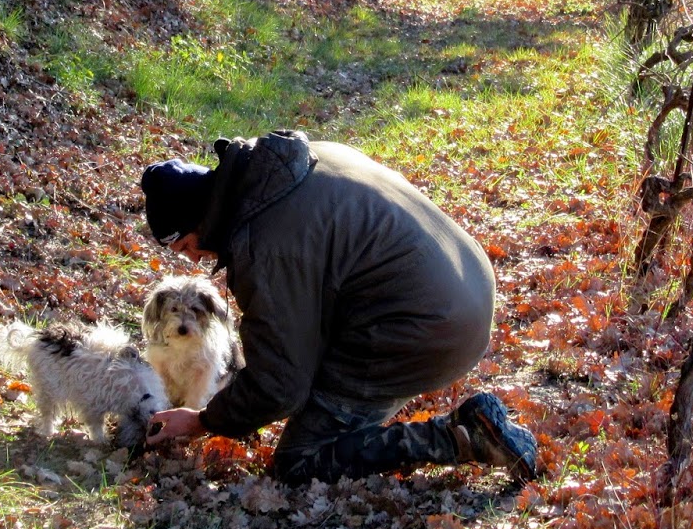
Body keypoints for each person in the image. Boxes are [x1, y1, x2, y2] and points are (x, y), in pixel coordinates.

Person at [139, 130, 538, 484]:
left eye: (187, 245)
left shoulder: (263, 243)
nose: (194, 259)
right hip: (469, 287)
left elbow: (281, 385)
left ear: (200, 220)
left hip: (427, 330)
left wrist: (204, 419)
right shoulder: (294, 162)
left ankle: (464, 435)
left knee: (299, 462)